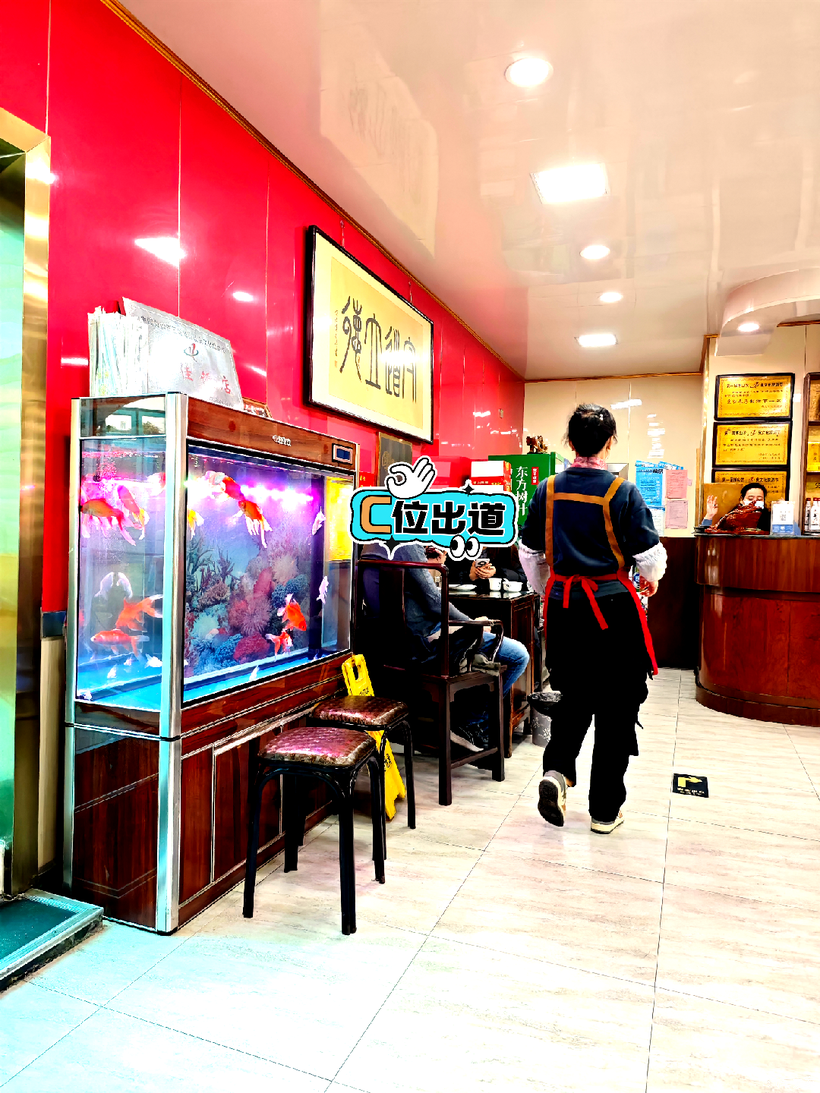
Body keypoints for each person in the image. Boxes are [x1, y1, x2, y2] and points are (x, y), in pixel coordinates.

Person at [518, 404, 667, 834]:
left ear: (569, 442)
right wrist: (651, 581)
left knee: (574, 696)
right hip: (613, 611)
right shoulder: (623, 491)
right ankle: (604, 810)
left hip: (565, 610)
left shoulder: (546, 489)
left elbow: (529, 552)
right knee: (617, 708)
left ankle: (557, 770)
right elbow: (650, 558)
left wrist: (547, 589)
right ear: (610, 443)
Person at [361, 540, 529, 751]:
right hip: (425, 645)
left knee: (484, 658)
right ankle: (468, 724)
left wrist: (432, 565)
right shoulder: (406, 544)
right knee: (518, 655)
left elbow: (418, 594)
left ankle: (462, 720)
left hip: (389, 648)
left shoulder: (368, 544)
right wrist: (473, 624)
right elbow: (433, 601)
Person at [702, 482, 770, 532]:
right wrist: (709, 515)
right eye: (750, 499)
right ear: (741, 500)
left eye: (759, 499)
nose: (754, 501)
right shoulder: (732, 517)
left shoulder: (770, 519)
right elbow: (706, 534)